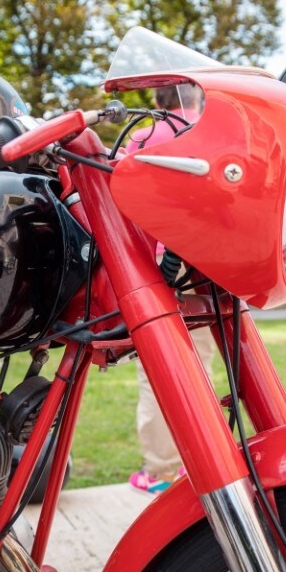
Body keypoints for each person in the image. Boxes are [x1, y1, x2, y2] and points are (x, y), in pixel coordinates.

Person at [127, 84, 219, 494]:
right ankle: (198, 463)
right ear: (197, 98)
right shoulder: (212, 134)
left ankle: (160, 472)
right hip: (208, 262)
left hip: (160, 264)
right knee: (201, 365)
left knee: (157, 369)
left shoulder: (144, 137)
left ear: (156, 101)